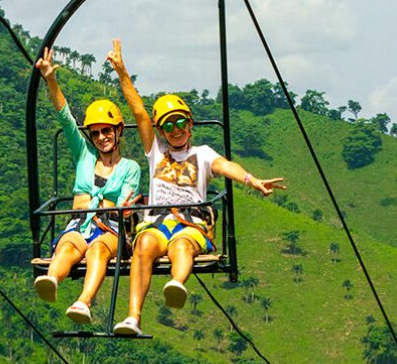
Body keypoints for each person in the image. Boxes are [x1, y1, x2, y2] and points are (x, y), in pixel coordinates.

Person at [106, 39, 286, 336]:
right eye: (168, 126)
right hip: (157, 221)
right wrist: (122, 73)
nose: (176, 130)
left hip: (190, 222)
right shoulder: (156, 151)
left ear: (190, 125)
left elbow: (226, 166)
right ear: (161, 131)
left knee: (182, 246)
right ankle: (133, 317)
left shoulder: (202, 154)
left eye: (180, 123)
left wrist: (251, 179)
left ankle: (176, 283)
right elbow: (139, 112)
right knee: (144, 245)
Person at [32, 46, 142, 324]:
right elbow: (65, 118)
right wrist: (50, 80)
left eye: (106, 131)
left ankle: (84, 301)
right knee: (68, 245)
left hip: (110, 227)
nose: (101, 137)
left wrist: (126, 209)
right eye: (95, 133)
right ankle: (52, 279)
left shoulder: (129, 167)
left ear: (118, 130)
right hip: (79, 223)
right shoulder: (84, 156)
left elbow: (125, 200)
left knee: (97, 250)